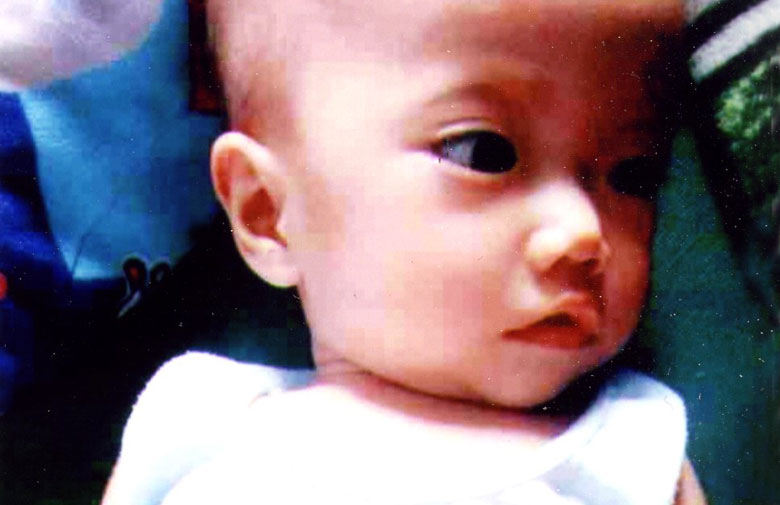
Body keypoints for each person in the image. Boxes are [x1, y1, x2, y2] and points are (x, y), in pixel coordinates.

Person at [101, 0, 707, 503]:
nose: (583, 232)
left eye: (633, 175)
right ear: (269, 213)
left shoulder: (634, 450)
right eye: (484, 153)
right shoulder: (202, 419)